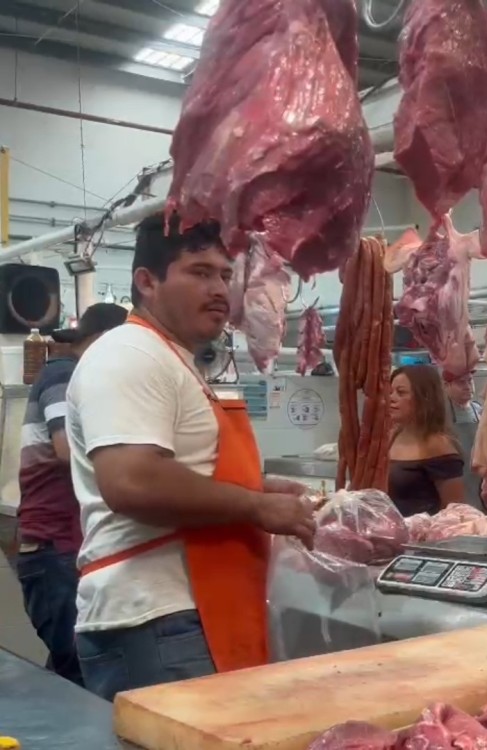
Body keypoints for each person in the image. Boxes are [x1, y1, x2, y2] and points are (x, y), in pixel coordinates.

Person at [66, 214, 316, 700]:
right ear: (147, 282)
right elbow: (132, 481)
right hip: (154, 620)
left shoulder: (170, 358)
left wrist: (259, 488)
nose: (220, 288)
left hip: (187, 612)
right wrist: (254, 507)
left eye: (225, 274)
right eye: (199, 272)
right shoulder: (130, 352)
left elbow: (183, 470)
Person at [15, 302, 127, 686]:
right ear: (105, 341)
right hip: (54, 546)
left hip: (60, 545)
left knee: (70, 670)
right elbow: (67, 450)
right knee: (83, 673)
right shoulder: (64, 374)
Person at [388, 364, 465, 516]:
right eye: (390, 392)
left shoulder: (438, 445)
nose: (391, 398)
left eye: (401, 392)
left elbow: (455, 510)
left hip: (425, 537)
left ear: (424, 397)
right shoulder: (392, 437)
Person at [443, 369, 484, 508]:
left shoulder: (479, 410)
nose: (467, 386)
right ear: (446, 385)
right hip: (457, 476)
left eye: (470, 381)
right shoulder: (441, 414)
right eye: (461, 382)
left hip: (479, 477)